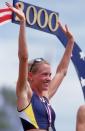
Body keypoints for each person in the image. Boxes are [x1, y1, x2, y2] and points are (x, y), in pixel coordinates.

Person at [6, 2, 74, 131]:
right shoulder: (24, 93)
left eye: (49, 74)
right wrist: (22, 23)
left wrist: (70, 42)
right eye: (44, 74)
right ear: (30, 76)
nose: (49, 78)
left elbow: (62, 72)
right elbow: (23, 58)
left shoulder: (45, 96)